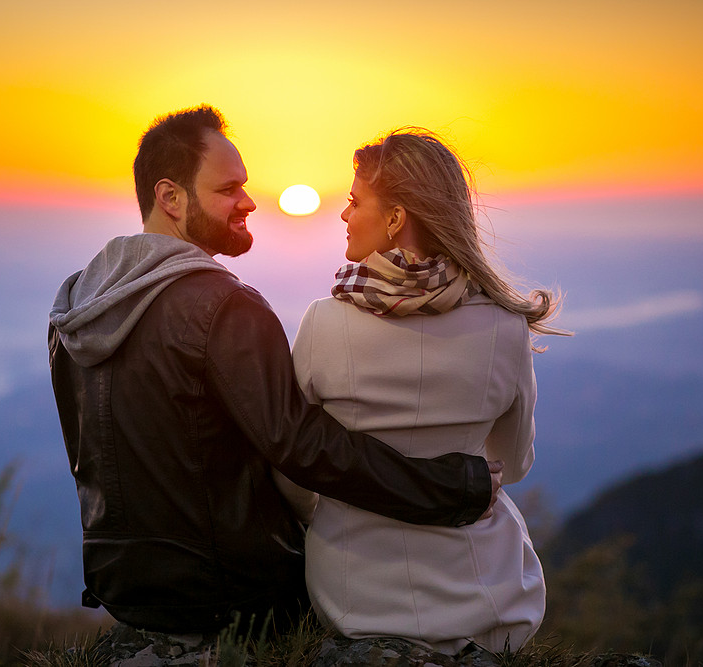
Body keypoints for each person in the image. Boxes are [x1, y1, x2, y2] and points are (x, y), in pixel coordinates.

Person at [47, 106, 502, 634]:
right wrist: (451, 486)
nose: (250, 201)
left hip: (121, 584)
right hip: (232, 594)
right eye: (228, 189)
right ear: (170, 198)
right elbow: (304, 449)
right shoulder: (224, 307)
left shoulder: (76, 306)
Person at [292, 128, 567, 654]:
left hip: (354, 595)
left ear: (395, 219)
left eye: (353, 201)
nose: (344, 215)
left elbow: (292, 465)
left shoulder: (323, 324)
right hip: (487, 599)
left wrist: (327, 515)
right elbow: (512, 462)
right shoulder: (505, 327)